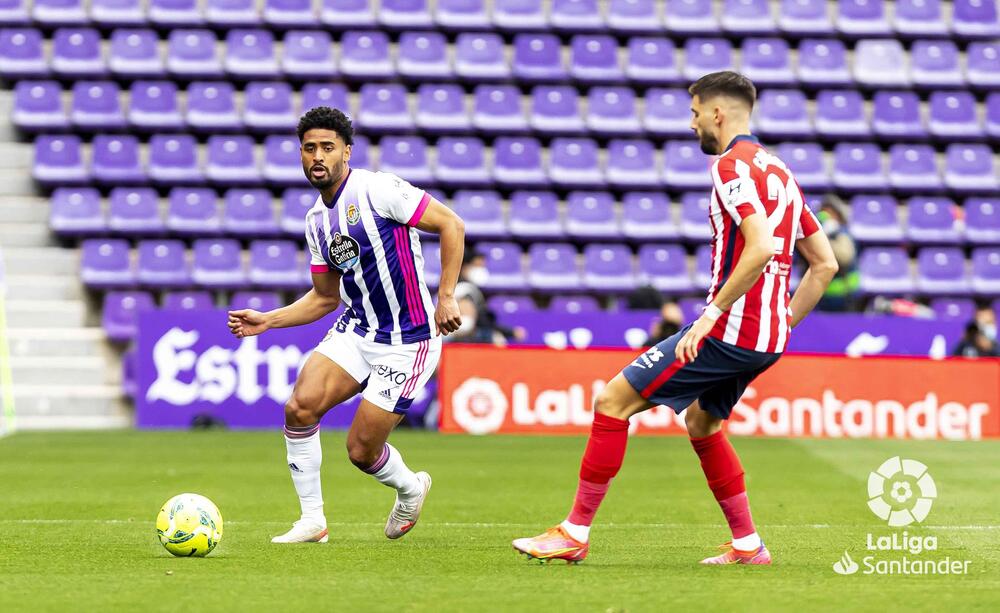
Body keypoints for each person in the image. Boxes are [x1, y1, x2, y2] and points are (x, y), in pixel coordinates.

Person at [512, 71, 839, 566]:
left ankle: (574, 532)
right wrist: (782, 321)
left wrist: (711, 316)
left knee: (612, 401)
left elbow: (762, 245)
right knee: (702, 421)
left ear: (717, 113)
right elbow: (825, 263)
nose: (691, 125)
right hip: (767, 336)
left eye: (693, 113)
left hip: (730, 330)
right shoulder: (782, 173)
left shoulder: (731, 168)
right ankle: (749, 545)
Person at [227, 107, 465, 543]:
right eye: (309, 148)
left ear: (347, 152)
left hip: (408, 340)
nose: (317, 156)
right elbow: (324, 297)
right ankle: (312, 520)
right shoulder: (316, 221)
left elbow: (451, 224)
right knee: (299, 407)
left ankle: (411, 488)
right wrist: (269, 320)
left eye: (327, 148)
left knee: (361, 450)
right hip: (357, 329)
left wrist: (446, 295)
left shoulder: (379, 190)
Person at [815, 195, 859, 312]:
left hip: (844, 294)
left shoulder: (843, 233)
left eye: (830, 214)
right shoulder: (814, 236)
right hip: (819, 295)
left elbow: (845, 257)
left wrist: (828, 239)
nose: (826, 218)